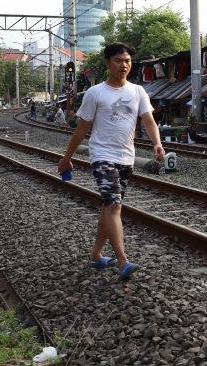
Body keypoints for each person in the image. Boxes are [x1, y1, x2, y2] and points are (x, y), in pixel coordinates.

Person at [58, 43, 164, 280]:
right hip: (103, 156)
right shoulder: (95, 93)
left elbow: (148, 121)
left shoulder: (138, 92)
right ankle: (123, 262)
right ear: (107, 63)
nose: (124, 65)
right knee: (115, 206)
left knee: (108, 207)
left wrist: (157, 143)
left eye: (127, 61)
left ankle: (96, 254)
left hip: (127, 158)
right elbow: (81, 130)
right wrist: (67, 158)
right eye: (118, 60)